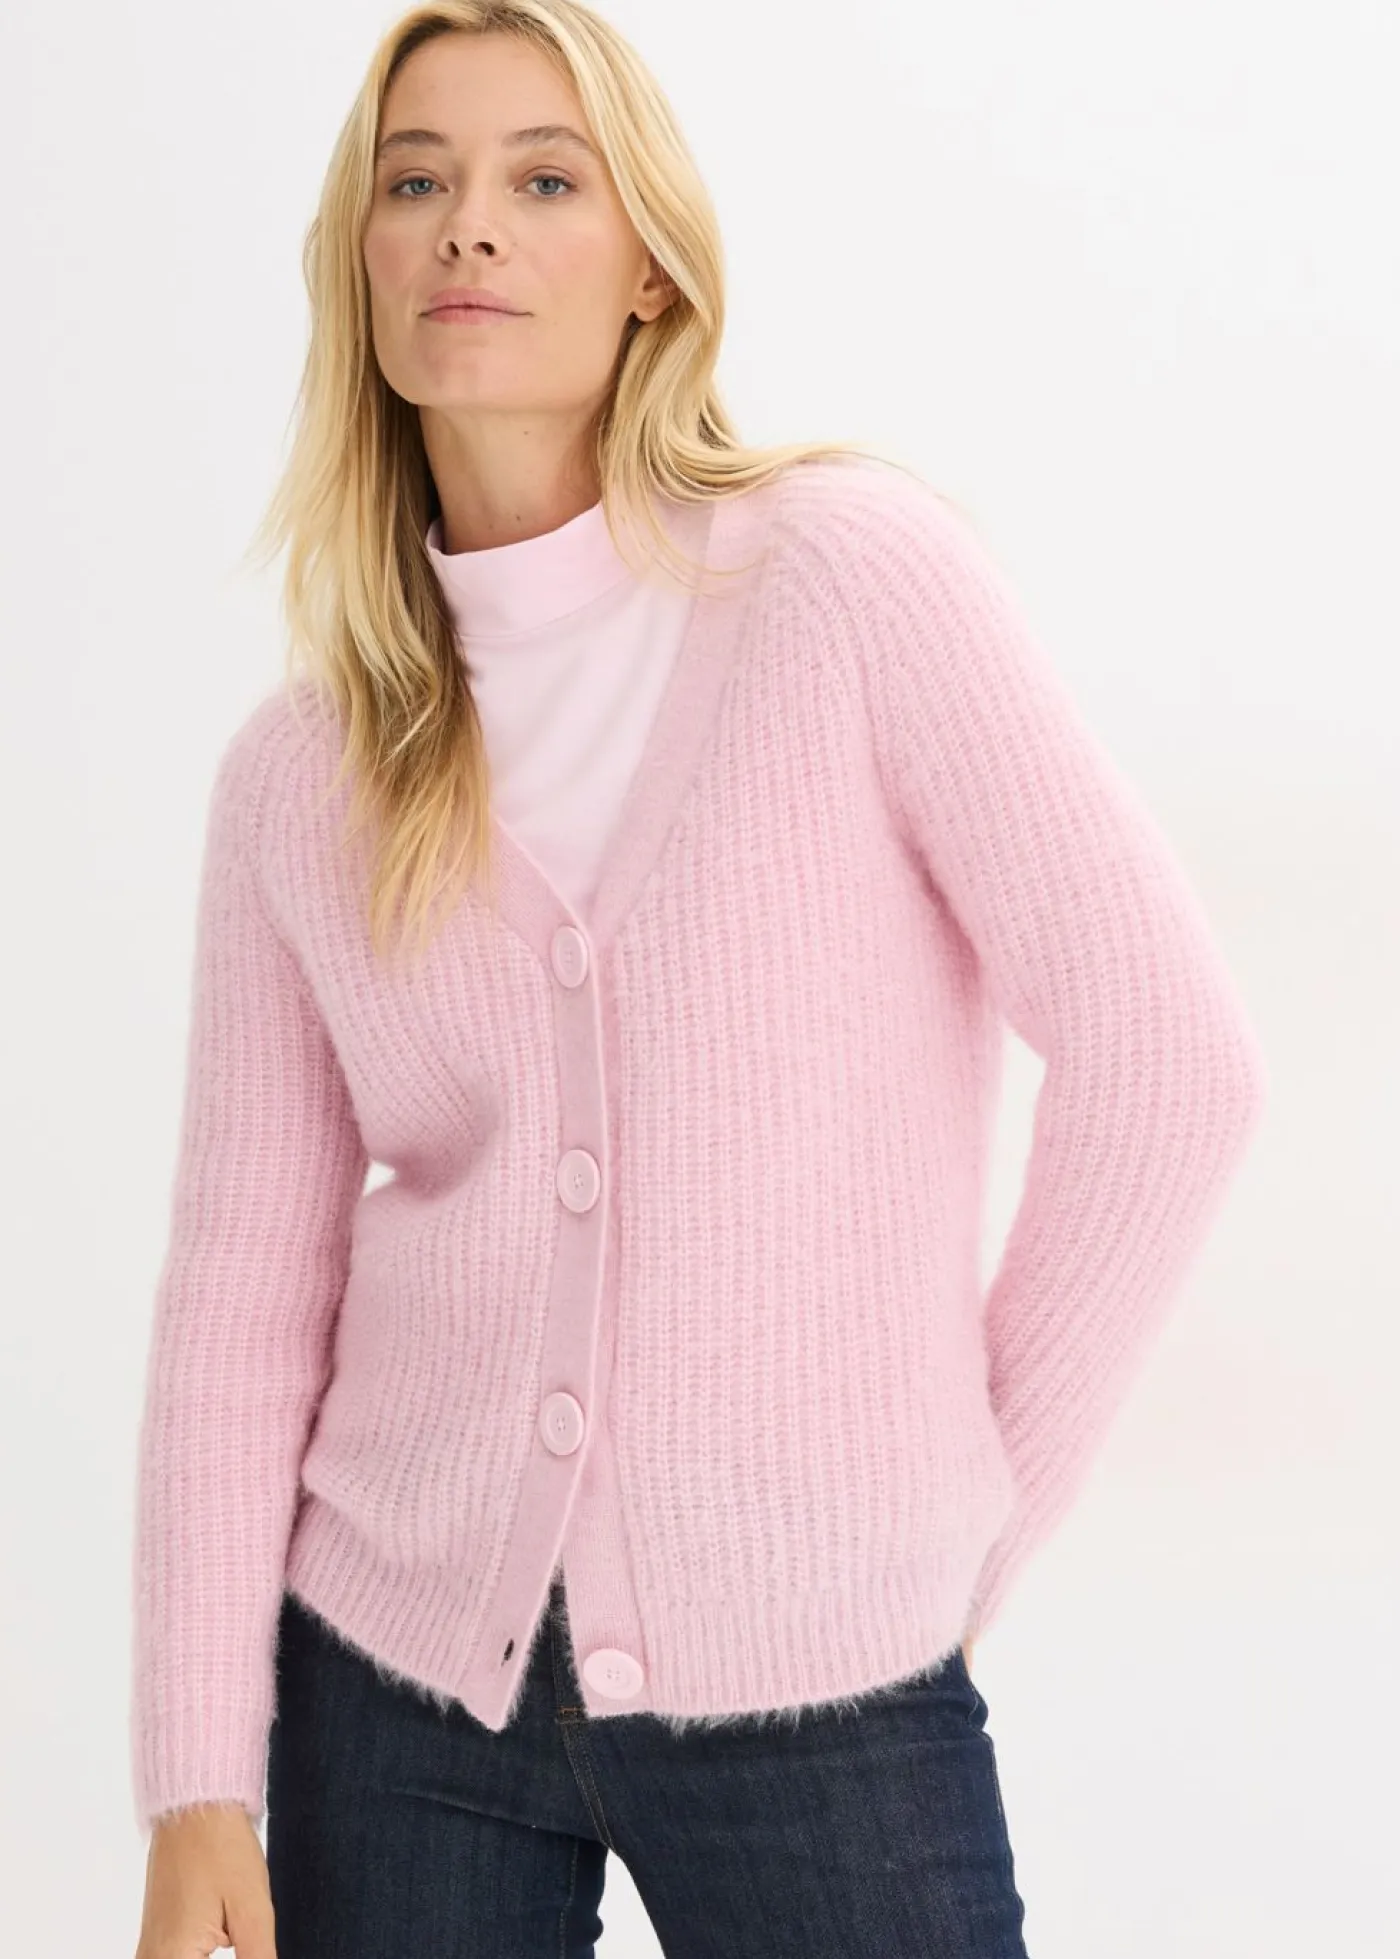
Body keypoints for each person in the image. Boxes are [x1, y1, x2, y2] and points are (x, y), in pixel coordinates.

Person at [130, 4, 1269, 1956]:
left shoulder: (844, 585)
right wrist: (194, 1777)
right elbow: (242, 1298)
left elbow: (1170, 1061)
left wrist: (964, 1509)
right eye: (417, 182)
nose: (469, 225)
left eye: (542, 178)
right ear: (365, 269)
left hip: (829, 1689)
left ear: (651, 266)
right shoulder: (299, 778)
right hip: (394, 1692)